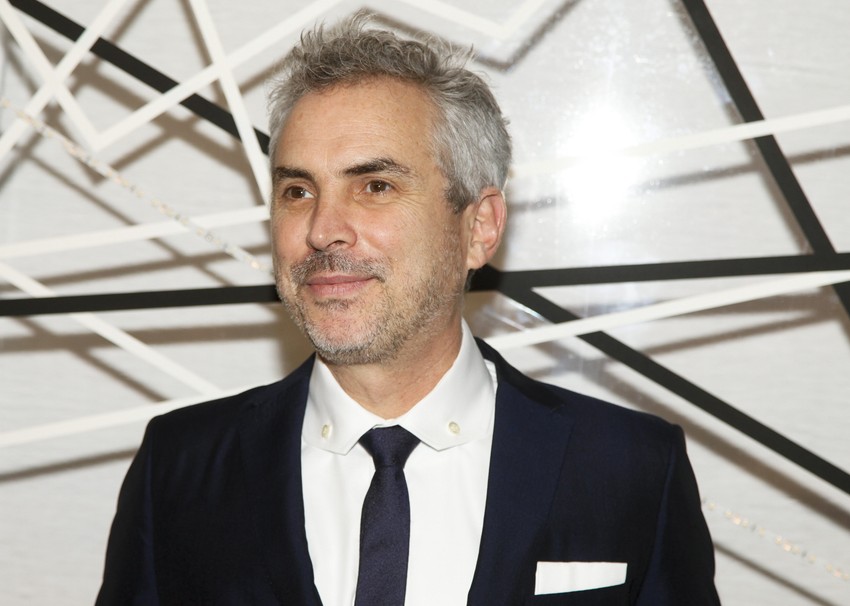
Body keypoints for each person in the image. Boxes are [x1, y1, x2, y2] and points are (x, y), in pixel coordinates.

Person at [96, 13, 720, 606]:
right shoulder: (179, 467)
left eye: (375, 186)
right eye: (298, 190)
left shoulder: (629, 468)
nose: (322, 229)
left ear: (479, 227)